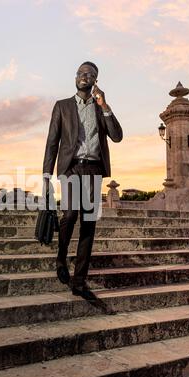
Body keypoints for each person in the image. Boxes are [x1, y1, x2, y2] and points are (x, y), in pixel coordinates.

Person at [42, 61, 123, 299]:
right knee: (69, 214)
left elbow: (117, 136)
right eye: (80, 73)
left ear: (95, 80)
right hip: (71, 168)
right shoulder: (62, 106)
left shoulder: (100, 108)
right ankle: (61, 257)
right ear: (76, 77)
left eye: (89, 74)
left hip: (93, 170)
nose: (83, 76)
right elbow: (51, 142)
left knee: (89, 225)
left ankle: (79, 281)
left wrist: (105, 105)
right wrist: (46, 175)